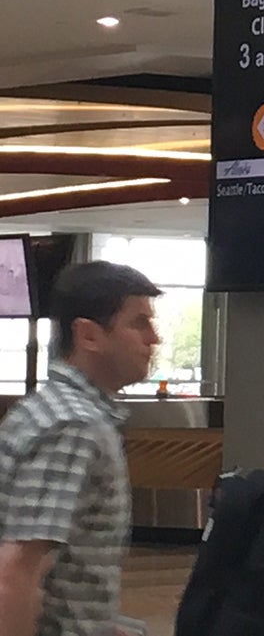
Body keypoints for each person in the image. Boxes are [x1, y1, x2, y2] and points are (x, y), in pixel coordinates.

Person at [0, 261, 162, 636]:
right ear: (88, 335)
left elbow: (56, 574)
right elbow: (16, 573)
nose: (153, 338)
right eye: (138, 323)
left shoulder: (44, 411)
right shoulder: (74, 426)